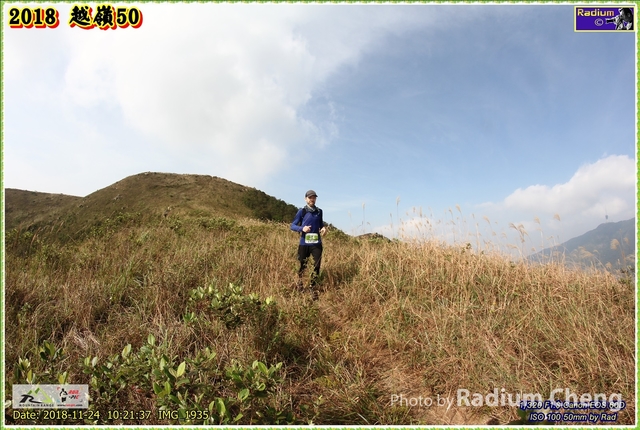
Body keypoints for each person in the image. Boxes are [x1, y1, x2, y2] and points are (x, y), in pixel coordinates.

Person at [290, 190, 327, 293]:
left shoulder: (319, 212)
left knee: (317, 266)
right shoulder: (302, 211)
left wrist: (323, 229)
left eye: (314, 197)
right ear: (305, 199)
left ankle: (312, 287)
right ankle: (300, 284)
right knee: (303, 265)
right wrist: (302, 228)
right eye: (310, 197)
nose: (312, 199)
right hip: (304, 244)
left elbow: (321, 224)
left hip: (316, 244)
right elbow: (292, 226)